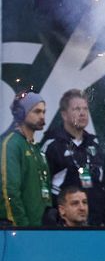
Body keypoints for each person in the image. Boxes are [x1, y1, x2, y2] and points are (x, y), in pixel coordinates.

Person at [40, 88, 105, 227]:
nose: (82, 113)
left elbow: (104, 186)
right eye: (76, 109)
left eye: (85, 109)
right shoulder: (52, 144)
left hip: (94, 227)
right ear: (64, 114)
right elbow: (41, 188)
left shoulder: (94, 144)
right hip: (62, 228)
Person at [1, 91, 49, 227]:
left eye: (44, 112)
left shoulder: (36, 149)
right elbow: (9, 191)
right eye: (37, 112)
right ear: (21, 114)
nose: (42, 116)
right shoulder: (12, 145)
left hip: (38, 230)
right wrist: (22, 227)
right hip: (21, 232)